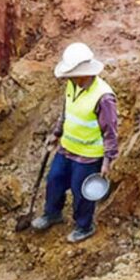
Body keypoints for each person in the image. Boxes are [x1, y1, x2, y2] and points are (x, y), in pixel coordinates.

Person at [32, 42, 118, 243]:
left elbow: (111, 132)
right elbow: (66, 112)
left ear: (85, 72)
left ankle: (84, 226)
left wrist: (107, 161)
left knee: (82, 192)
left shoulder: (104, 97)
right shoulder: (72, 85)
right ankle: (52, 213)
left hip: (89, 156)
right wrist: (56, 133)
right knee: (54, 180)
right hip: (67, 148)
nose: (69, 78)